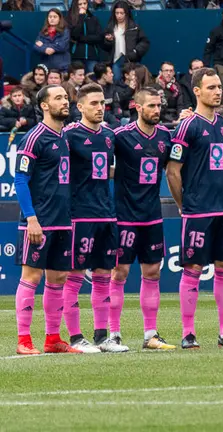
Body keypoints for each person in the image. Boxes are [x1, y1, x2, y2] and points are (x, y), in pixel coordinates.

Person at [167, 68, 223, 349]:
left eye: (219, 87)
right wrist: (184, 205)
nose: (218, 91)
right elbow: (173, 171)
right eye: (211, 87)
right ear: (197, 92)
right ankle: (188, 333)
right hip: (198, 210)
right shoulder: (187, 125)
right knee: (193, 267)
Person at [13, 85, 81, 355]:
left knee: (59, 278)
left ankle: (53, 339)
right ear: (43, 105)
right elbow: (20, 180)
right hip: (39, 222)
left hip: (63, 220)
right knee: (31, 276)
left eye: (66, 97)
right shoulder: (34, 138)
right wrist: (31, 218)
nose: (65, 101)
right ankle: (23, 341)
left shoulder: (65, 136)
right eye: (58, 98)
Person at [59, 84, 126, 353]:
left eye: (103, 104)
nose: (100, 108)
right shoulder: (69, 135)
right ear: (80, 107)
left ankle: (101, 337)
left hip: (106, 214)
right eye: (94, 104)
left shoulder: (110, 136)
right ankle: (76, 338)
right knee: (74, 275)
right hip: (79, 215)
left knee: (102, 274)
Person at [110, 87, 176, 351]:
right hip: (124, 215)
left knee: (152, 272)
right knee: (120, 272)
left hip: (152, 216)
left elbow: (173, 170)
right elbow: (100, 163)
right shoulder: (120, 137)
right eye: (151, 106)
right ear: (137, 107)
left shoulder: (165, 137)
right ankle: (113, 333)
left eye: (159, 105)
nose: (157, 110)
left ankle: (150, 334)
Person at [103, 1, 150, 82]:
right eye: (117, 13)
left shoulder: (134, 27)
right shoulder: (110, 27)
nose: (119, 15)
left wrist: (135, 52)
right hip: (116, 60)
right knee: (116, 79)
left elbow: (145, 42)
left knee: (132, 82)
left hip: (130, 61)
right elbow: (105, 46)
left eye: (121, 13)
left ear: (126, 13)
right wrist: (108, 41)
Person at [67, 0, 103, 73]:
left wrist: (81, 38)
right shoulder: (70, 18)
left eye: (85, 3)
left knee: (93, 80)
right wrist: (81, 17)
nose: (83, 6)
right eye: (80, 4)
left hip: (92, 56)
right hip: (77, 56)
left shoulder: (93, 18)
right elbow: (74, 35)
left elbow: (99, 37)